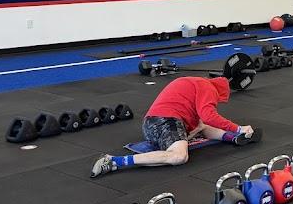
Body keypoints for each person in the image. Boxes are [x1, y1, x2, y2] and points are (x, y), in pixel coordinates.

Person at [91, 75, 262, 178]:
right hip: (164, 121)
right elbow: (209, 115)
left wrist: (232, 133)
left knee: (202, 126)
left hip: (155, 124)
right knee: (179, 157)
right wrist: (238, 128)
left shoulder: (197, 84)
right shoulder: (208, 88)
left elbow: (204, 122)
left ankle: (234, 139)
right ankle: (115, 161)